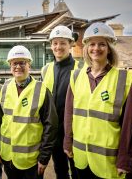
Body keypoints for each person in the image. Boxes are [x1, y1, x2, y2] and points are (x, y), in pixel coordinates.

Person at [63, 22, 132, 179]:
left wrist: (125, 159)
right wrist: (67, 142)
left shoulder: (123, 80)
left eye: (102, 44)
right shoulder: (76, 77)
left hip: (107, 161)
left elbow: (129, 124)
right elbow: (69, 114)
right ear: (86, 48)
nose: (96, 48)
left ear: (109, 49)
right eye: (92, 44)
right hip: (81, 157)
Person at [0, 45, 58, 179]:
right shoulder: (4, 89)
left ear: (29, 65)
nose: (18, 67)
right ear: (10, 66)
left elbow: (51, 126)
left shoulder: (41, 90)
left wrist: (44, 158)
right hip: (8, 157)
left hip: (31, 161)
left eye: (22, 63)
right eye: (14, 63)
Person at [41, 25, 81, 179]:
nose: (58, 47)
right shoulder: (46, 69)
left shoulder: (81, 69)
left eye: (63, 43)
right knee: (60, 171)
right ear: (51, 45)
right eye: (55, 43)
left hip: (75, 133)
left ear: (71, 44)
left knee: (77, 172)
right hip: (55, 135)